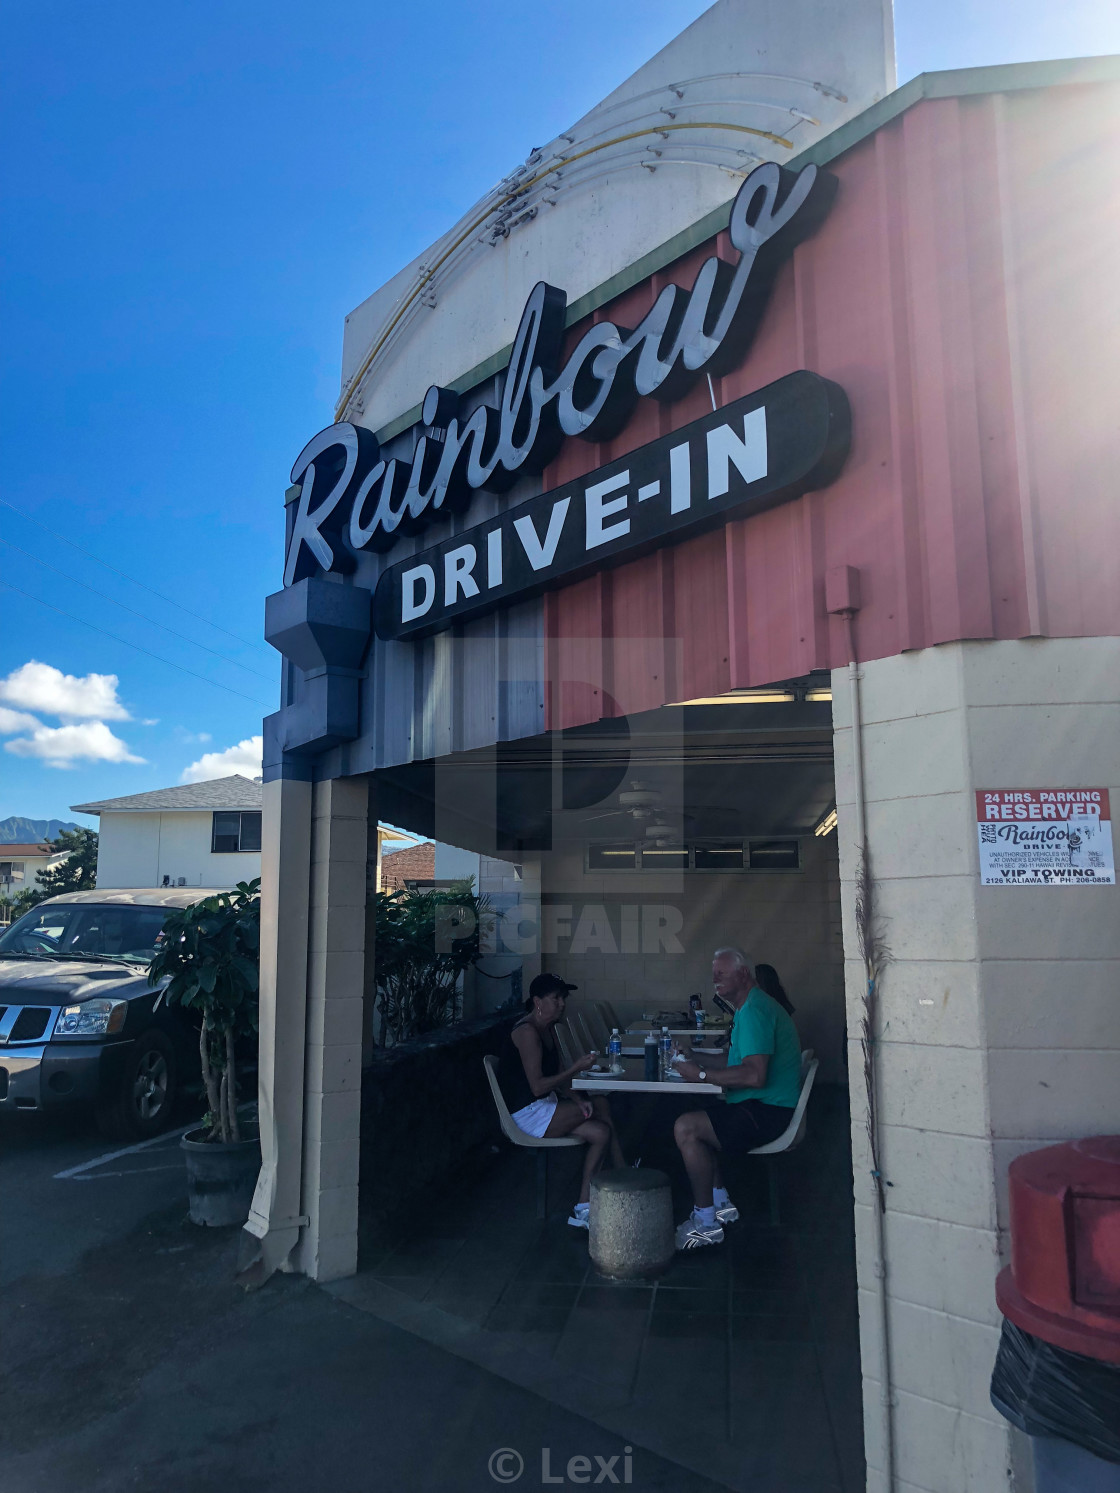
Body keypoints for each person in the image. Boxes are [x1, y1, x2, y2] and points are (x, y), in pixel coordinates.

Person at [671, 946, 801, 1249]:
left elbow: (754, 1075)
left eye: (721, 973)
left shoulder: (755, 1010)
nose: (714, 979)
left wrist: (700, 1075)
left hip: (769, 1112)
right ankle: (721, 1205)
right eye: (714, 973)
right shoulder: (748, 1007)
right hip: (763, 1105)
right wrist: (696, 1057)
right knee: (698, 1113)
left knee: (687, 1128)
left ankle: (706, 1224)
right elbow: (735, 1061)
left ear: (743, 974)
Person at [495, 972, 625, 1229]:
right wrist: (575, 1068)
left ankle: (584, 1208)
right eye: (556, 998)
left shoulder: (549, 1029)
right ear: (537, 1002)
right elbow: (537, 1086)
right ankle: (623, 1171)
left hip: (547, 1106)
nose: (562, 1003)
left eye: (562, 998)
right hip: (526, 1114)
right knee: (600, 1104)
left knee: (600, 1131)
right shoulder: (527, 1032)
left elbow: (561, 1080)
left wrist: (576, 1099)